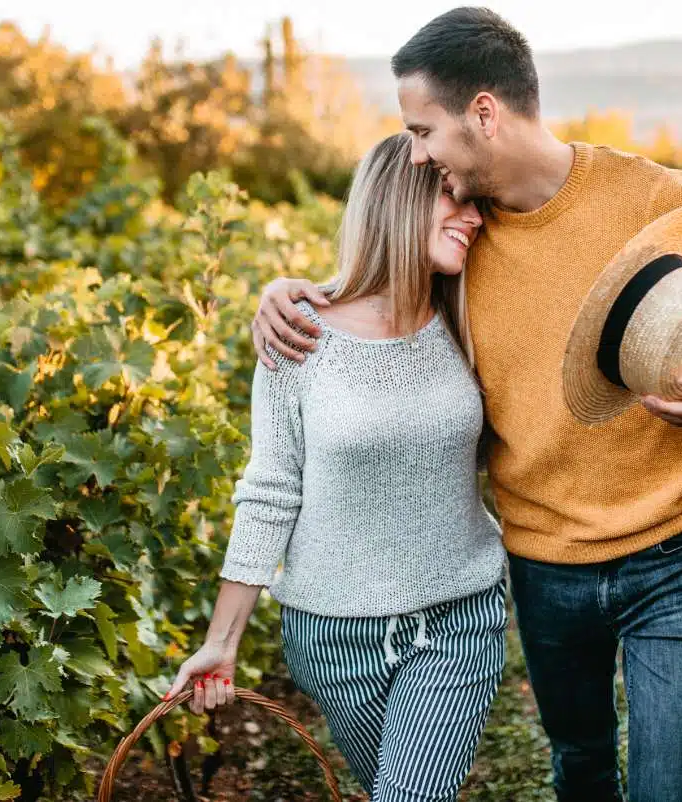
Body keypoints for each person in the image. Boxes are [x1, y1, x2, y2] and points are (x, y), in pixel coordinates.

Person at [249, 8, 682, 802]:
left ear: (484, 113)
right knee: (580, 769)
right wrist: (282, 296)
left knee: (672, 787)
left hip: (678, 551)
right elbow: (376, 303)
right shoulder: (459, 246)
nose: (417, 153)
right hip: (547, 566)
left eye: (424, 129)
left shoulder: (659, 201)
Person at [163, 132, 508, 802]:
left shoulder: (470, 315)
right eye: (454, 196)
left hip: (459, 617)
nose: (474, 215)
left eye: (477, 203)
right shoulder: (300, 332)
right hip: (331, 637)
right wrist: (220, 642)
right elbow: (269, 491)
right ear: (397, 199)